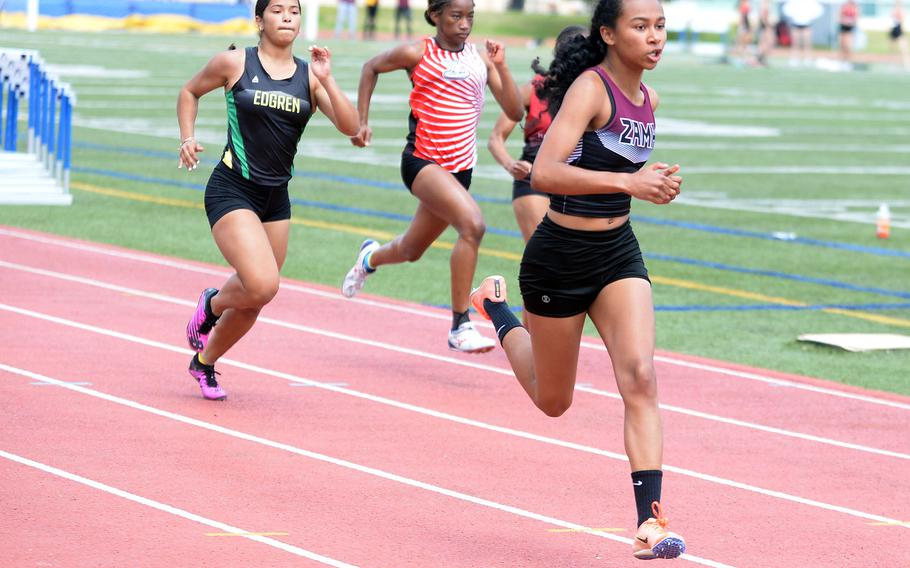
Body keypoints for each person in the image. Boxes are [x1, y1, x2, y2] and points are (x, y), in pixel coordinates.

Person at [469, 0, 685, 560]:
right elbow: (545, 171)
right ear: (610, 34)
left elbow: (620, 174)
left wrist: (650, 183)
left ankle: (650, 523)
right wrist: (631, 185)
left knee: (640, 376)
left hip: (617, 251)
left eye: (660, 26)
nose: (655, 37)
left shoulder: (649, 99)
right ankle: (496, 310)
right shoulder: (592, 88)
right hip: (559, 255)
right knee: (553, 399)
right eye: (641, 27)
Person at [178, 0, 359, 400]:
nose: (287, 17)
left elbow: (352, 126)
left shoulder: (310, 77)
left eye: (293, 10)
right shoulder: (234, 63)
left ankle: (204, 363)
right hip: (232, 188)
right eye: (277, 10)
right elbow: (190, 91)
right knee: (262, 284)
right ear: (259, 21)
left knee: (256, 297)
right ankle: (211, 306)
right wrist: (188, 138)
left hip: (276, 199)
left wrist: (327, 80)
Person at [341, 0, 523, 354]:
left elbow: (515, 110)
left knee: (411, 249)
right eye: (456, 16)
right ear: (435, 15)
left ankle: (369, 259)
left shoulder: (480, 58)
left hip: (461, 170)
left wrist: (501, 66)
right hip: (422, 162)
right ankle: (460, 324)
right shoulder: (416, 52)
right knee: (473, 225)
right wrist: (362, 121)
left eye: (470, 16)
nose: (464, 24)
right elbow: (370, 67)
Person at [487, 25, 587, 243]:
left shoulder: (597, 93)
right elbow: (496, 138)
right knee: (547, 257)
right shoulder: (533, 89)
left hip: (579, 184)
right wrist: (510, 165)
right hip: (533, 179)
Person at [838, 0, 858, 66]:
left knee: (848, 44)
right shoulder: (844, 6)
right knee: (842, 43)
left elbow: (856, 18)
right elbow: (840, 15)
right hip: (843, 26)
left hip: (850, 27)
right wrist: (843, 20)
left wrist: (850, 22)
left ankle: (848, 60)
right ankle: (842, 59)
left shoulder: (854, 7)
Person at [892, 0, 910, 70]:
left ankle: (906, 64)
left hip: (899, 29)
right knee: (893, 49)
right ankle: (894, 64)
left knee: (903, 48)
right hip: (895, 29)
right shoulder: (894, 11)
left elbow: (902, 21)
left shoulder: (901, 11)